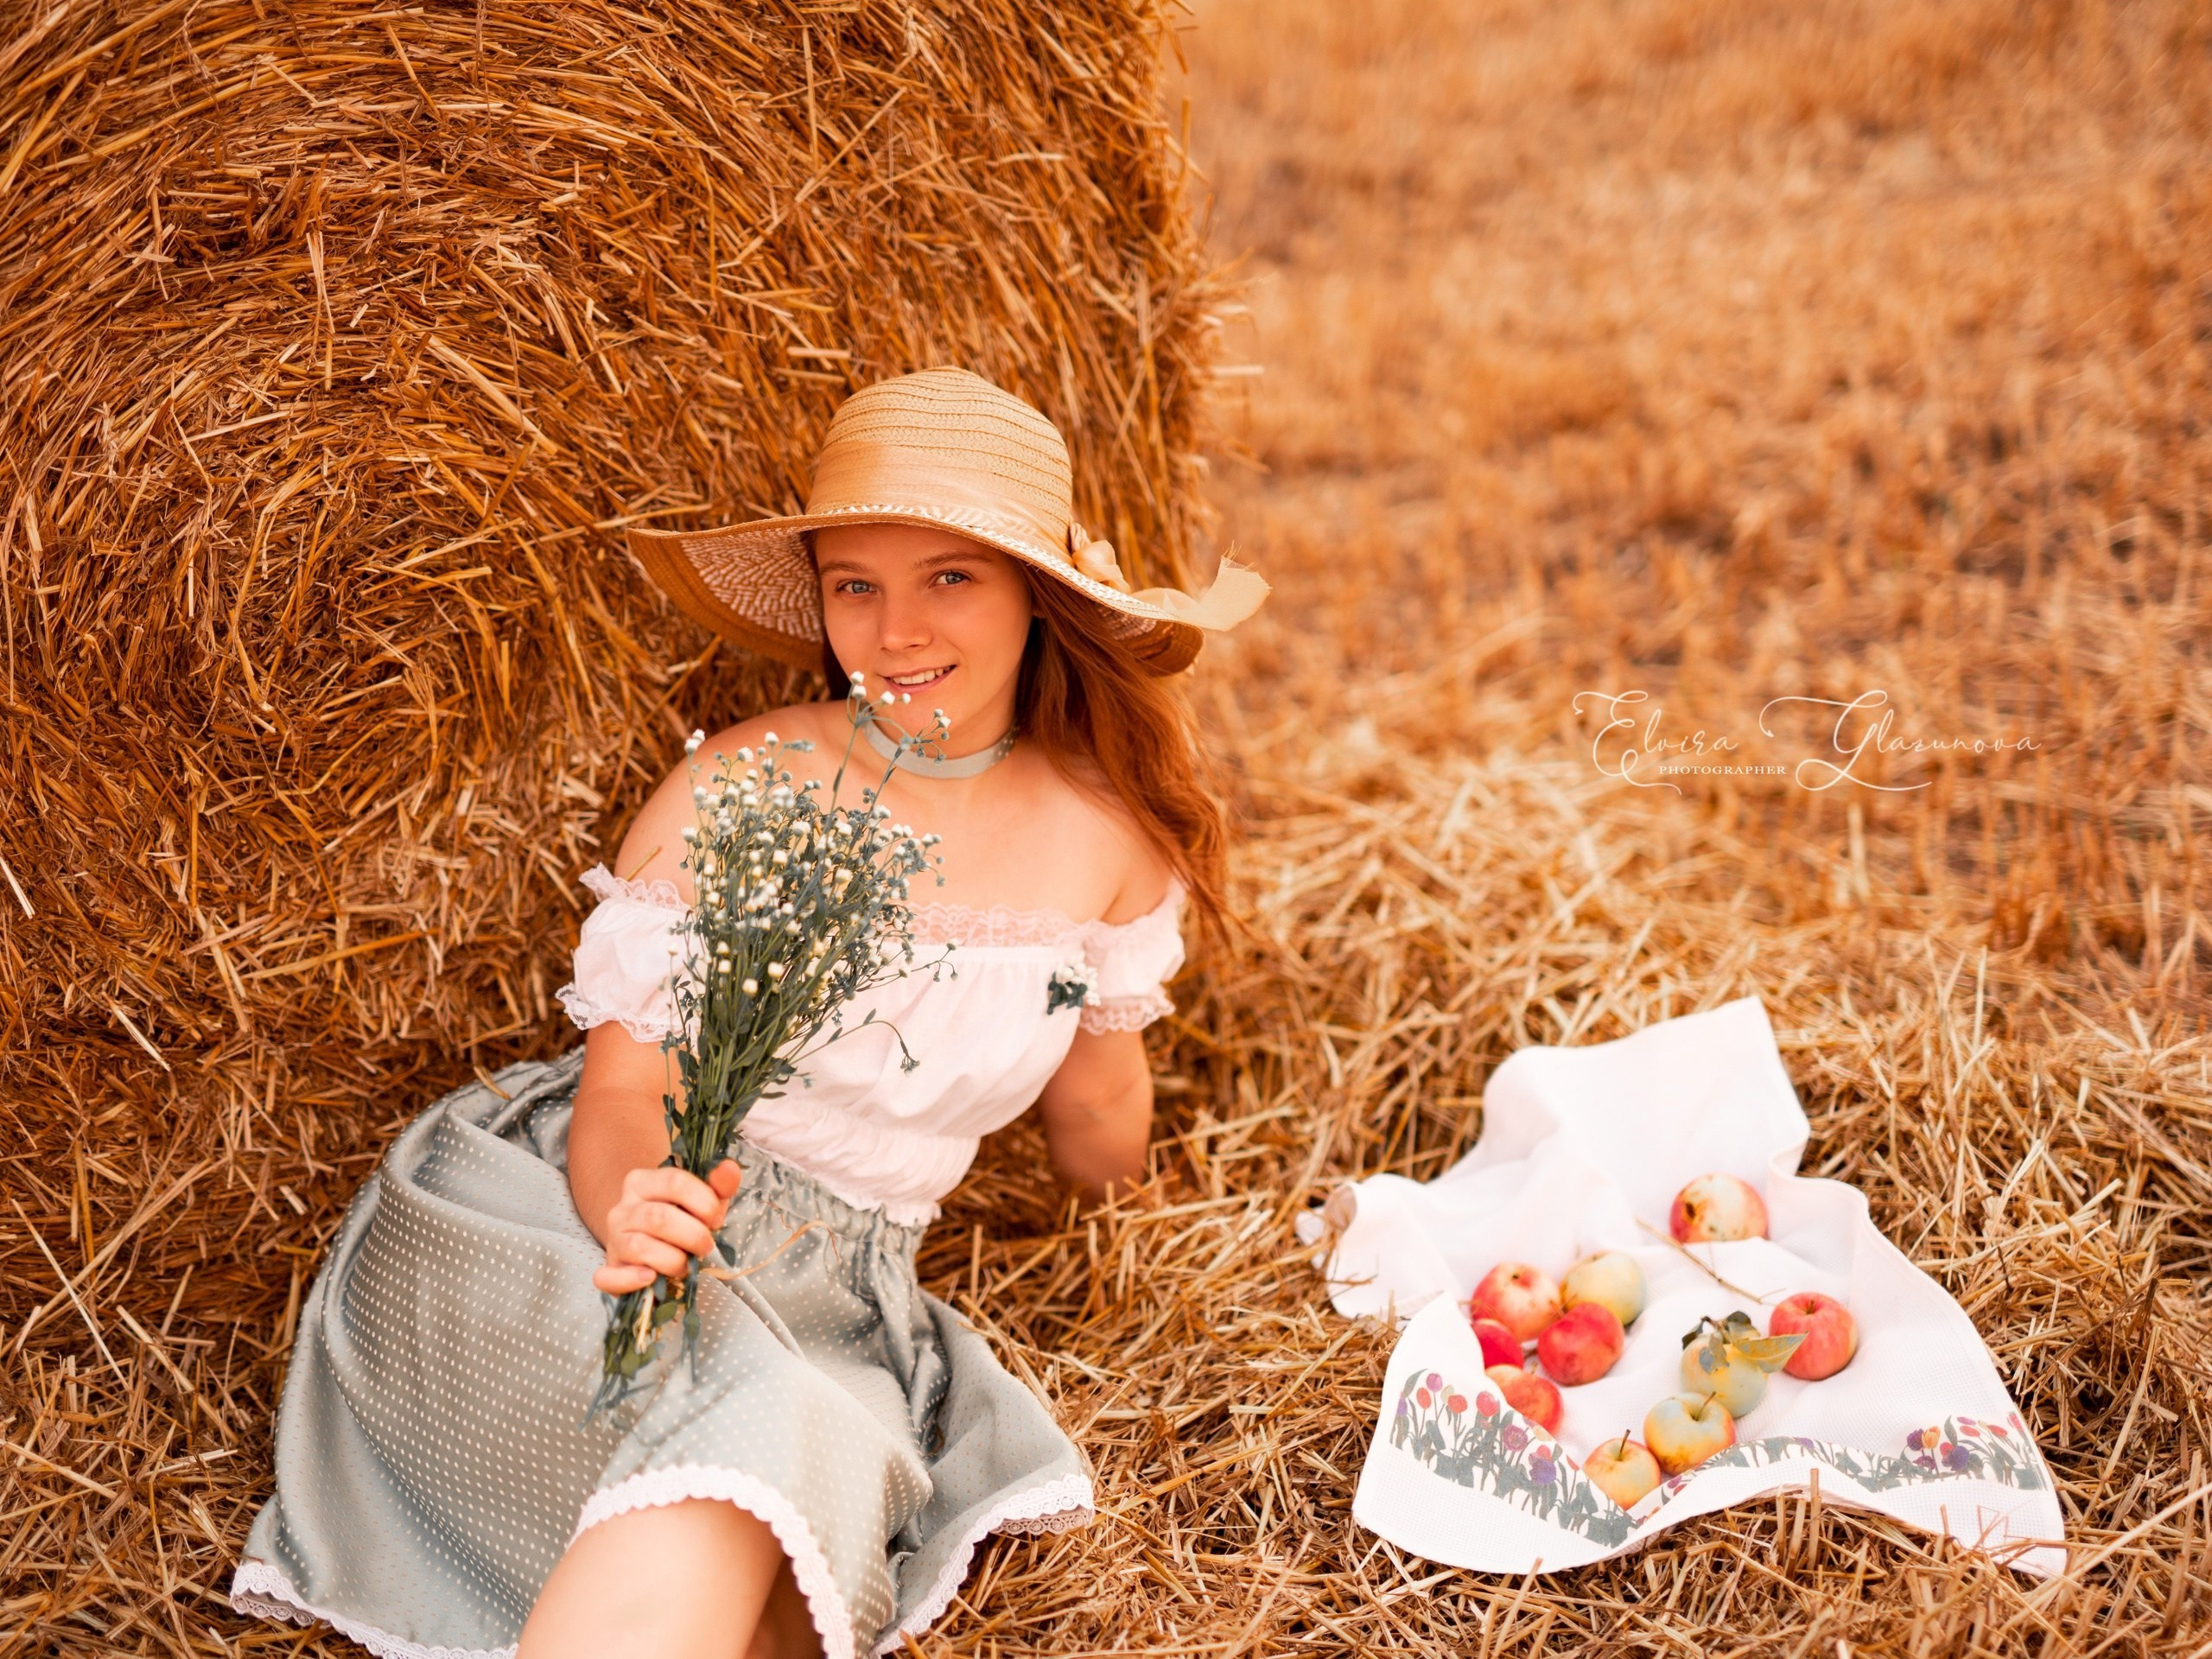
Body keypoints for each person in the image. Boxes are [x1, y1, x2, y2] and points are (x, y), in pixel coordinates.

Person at [226, 368, 1267, 1659]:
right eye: (855, 585)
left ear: (1034, 595)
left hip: (843, 1293)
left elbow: (1100, 1100)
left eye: (951, 577)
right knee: (745, 1456)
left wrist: (1159, 1245)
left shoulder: (1104, 838)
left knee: (775, 1558)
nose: (896, 631)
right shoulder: (740, 785)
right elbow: (623, 1091)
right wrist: (634, 1204)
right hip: (587, 1218)